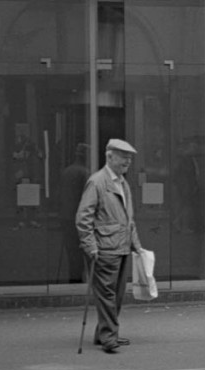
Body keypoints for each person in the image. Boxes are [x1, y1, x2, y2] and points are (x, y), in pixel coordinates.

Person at [76, 139, 143, 353]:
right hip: (104, 248)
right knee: (107, 295)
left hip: (121, 247)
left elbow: (128, 219)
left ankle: (103, 333)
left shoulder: (123, 183)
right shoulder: (97, 182)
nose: (128, 161)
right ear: (110, 156)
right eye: (124, 157)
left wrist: (136, 246)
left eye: (130, 158)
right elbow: (83, 218)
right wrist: (91, 247)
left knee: (118, 294)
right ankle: (109, 337)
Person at [60, 143, 90, 282]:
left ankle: (74, 280)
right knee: (86, 254)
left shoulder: (67, 171)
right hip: (80, 219)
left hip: (67, 217)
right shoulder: (84, 172)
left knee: (72, 254)